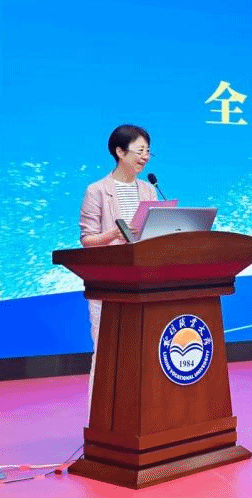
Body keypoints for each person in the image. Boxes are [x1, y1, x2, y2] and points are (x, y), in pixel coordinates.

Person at [78, 124, 158, 411]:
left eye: (148, 151)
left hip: (143, 283)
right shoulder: (97, 191)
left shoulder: (149, 189)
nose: (145, 156)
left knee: (145, 353)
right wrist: (114, 234)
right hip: (109, 284)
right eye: (140, 150)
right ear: (120, 152)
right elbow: (87, 239)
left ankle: (142, 414)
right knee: (106, 353)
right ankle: (99, 417)